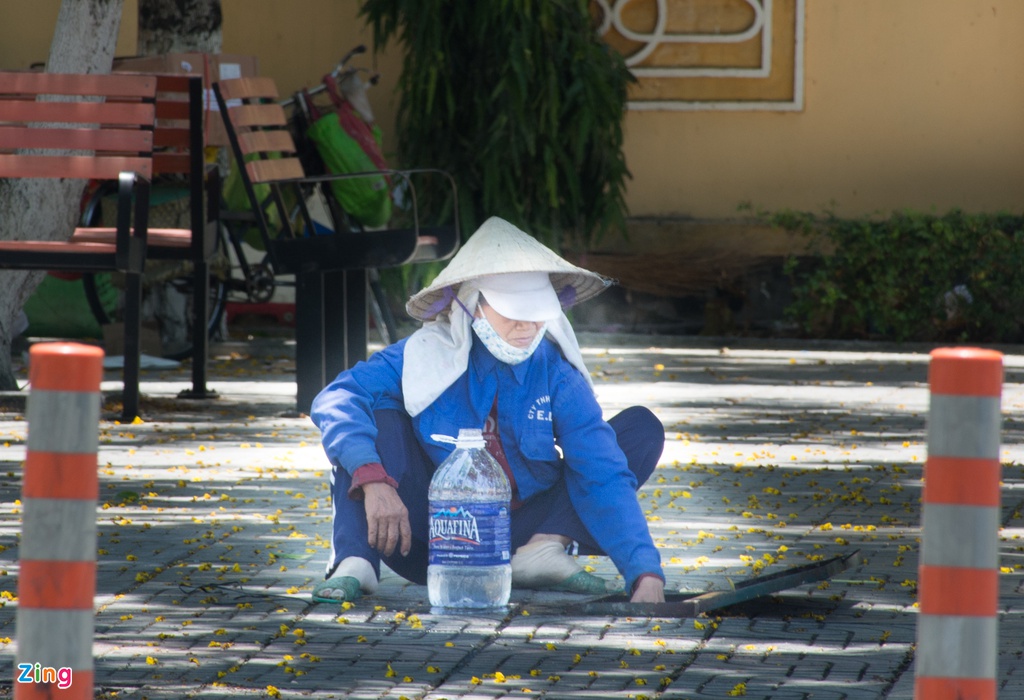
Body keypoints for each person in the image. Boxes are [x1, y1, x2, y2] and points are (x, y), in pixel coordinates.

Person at [310, 216, 666, 604]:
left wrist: (645, 572)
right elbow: (336, 398)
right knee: (372, 414)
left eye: (537, 312)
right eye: (512, 311)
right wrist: (373, 478)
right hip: (429, 537)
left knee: (638, 429)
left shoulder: (556, 372)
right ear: (474, 307)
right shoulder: (423, 354)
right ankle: (355, 561)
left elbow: (602, 471)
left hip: (518, 532)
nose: (527, 326)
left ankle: (543, 549)